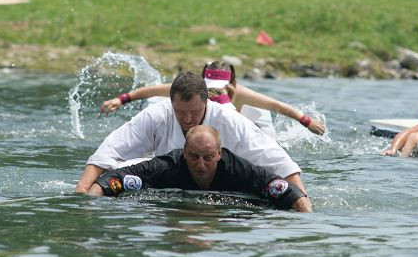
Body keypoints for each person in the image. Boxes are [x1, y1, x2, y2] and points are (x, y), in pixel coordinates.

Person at [75, 72, 308, 196]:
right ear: (171, 103)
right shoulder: (156, 115)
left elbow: (280, 162)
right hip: (168, 188)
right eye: (180, 112)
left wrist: (303, 203)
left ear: (207, 102)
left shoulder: (229, 120)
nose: (187, 119)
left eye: (194, 112)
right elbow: (109, 150)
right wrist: (82, 193)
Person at [88, 125, 312, 212]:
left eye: (208, 157)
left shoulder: (240, 170)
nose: (201, 164)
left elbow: (287, 190)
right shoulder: (169, 166)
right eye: (194, 157)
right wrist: (90, 203)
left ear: (219, 154)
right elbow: (117, 177)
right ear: (184, 153)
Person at [100, 61, 326, 135]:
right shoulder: (195, 89)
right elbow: (154, 90)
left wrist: (306, 121)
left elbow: (277, 106)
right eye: (209, 88)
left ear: (232, 85)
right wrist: (122, 99)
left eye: (219, 89)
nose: (214, 93)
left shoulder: (241, 94)